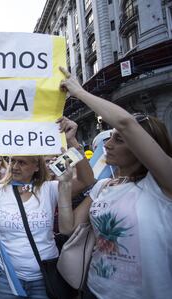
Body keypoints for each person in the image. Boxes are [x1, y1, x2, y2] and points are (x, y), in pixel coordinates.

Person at [59, 67, 172, 299]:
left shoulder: (162, 186)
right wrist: (63, 185)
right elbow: (68, 228)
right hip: (93, 291)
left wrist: (79, 92)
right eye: (109, 137)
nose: (108, 145)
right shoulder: (103, 187)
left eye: (118, 140)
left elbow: (125, 123)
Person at [0, 117, 95, 299]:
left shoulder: (49, 189)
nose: (15, 167)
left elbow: (87, 181)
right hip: (6, 275)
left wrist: (72, 142)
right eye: (13, 161)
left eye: (22, 162)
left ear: (36, 166)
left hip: (43, 276)